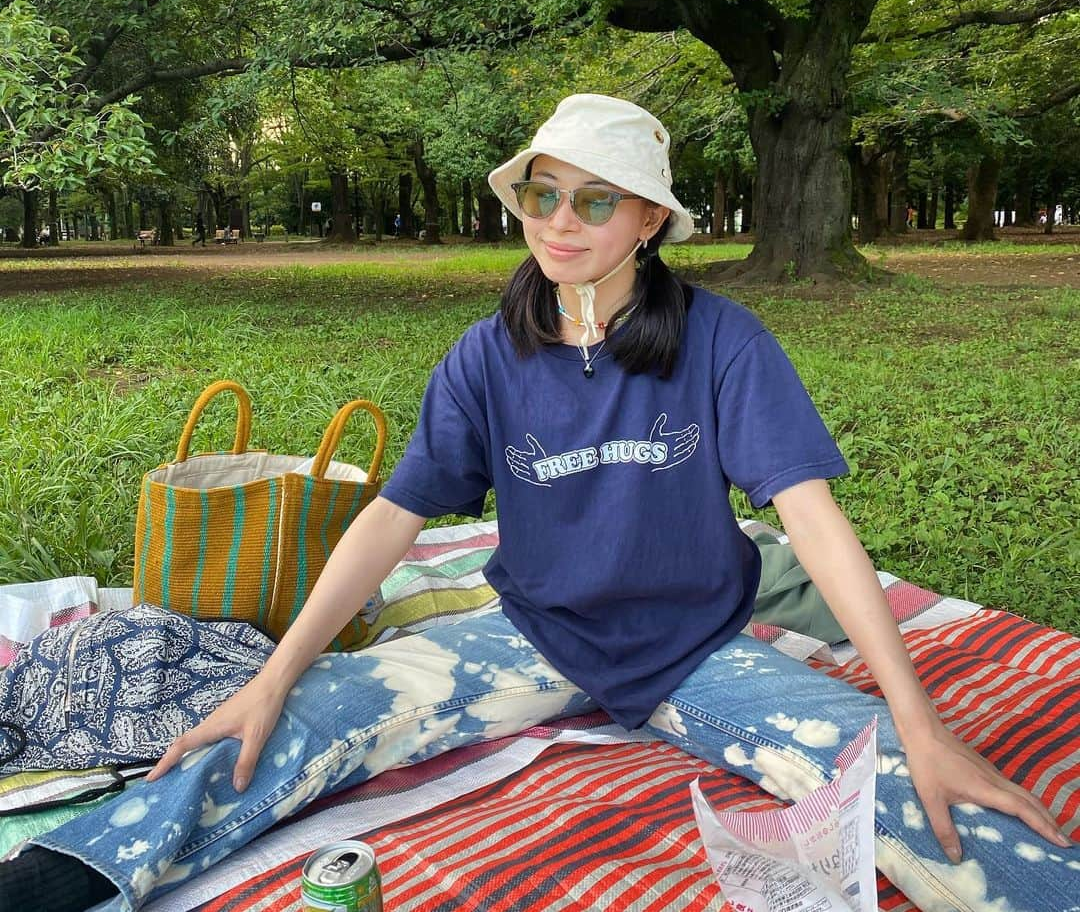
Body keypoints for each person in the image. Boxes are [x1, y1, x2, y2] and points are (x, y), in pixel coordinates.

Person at [4, 95, 1072, 912]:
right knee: (277, 731)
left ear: (651, 218)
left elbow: (812, 518)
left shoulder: (724, 341)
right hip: (530, 635)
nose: (562, 222)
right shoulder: (484, 356)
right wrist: (281, 673)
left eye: (596, 199)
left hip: (696, 649)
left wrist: (918, 721)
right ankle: (60, 880)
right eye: (543, 194)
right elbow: (394, 514)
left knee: (914, 784)